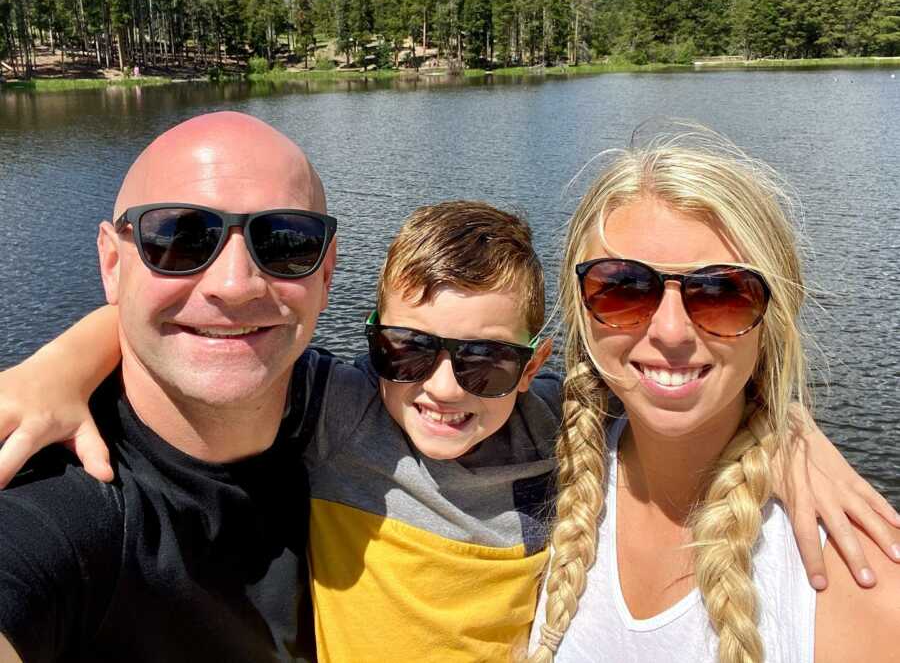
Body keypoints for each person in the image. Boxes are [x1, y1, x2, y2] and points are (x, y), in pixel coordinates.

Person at [1, 122, 897, 661]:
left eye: (721, 292)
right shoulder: (334, 406)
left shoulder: (564, 430)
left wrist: (783, 424)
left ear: (537, 361)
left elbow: (680, 382)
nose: (441, 387)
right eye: (405, 351)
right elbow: (220, 333)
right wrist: (60, 363)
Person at [529, 134, 900, 662]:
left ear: (772, 321)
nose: (672, 332)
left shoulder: (854, 577)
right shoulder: (532, 457)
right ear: (580, 310)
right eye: (623, 288)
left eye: (723, 293)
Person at [0, 111, 337, 662]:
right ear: (112, 264)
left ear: (324, 276)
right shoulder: (61, 498)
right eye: (180, 237)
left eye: (284, 242)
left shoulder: (370, 409)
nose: (235, 285)